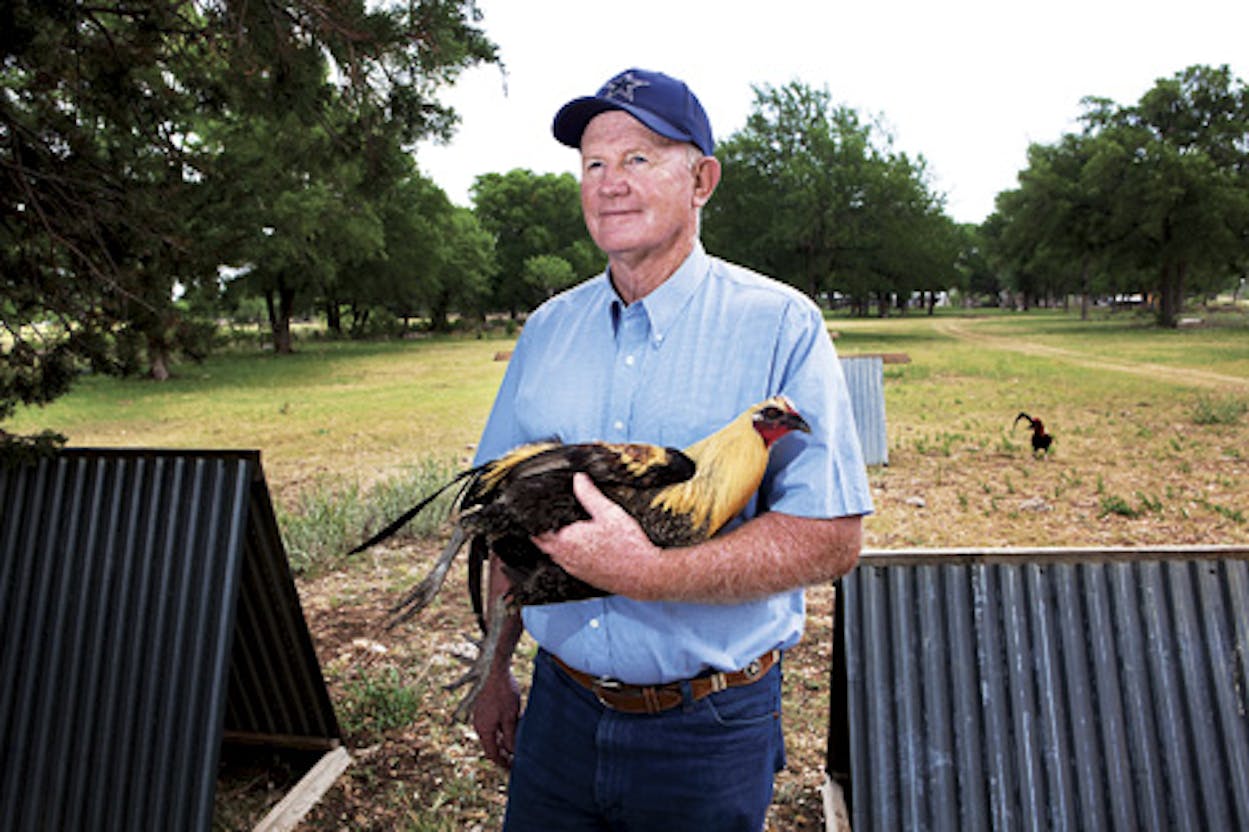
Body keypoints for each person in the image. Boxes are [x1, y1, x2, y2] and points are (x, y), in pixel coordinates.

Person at [468, 67, 873, 830]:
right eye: (593, 163)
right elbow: (504, 529)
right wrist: (493, 673)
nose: (610, 183)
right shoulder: (548, 329)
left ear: (702, 180)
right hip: (559, 713)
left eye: (639, 159)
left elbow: (830, 538)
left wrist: (648, 573)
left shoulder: (779, 324)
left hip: (707, 727)